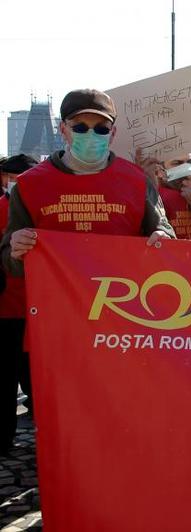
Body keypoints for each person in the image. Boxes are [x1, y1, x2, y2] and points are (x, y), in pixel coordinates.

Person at [1, 88, 175, 278]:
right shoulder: (29, 185)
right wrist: (16, 251)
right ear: (63, 130)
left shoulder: (138, 181)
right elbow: (9, 261)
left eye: (101, 128)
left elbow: (164, 235)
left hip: (121, 299)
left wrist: (163, 238)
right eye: (80, 128)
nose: (91, 136)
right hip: (56, 302)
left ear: (113, 133)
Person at [0, 154, 38, 452]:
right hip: (12, 308)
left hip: (37, 307)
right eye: (11, 177)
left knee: (31, 374)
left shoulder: (39, 210)